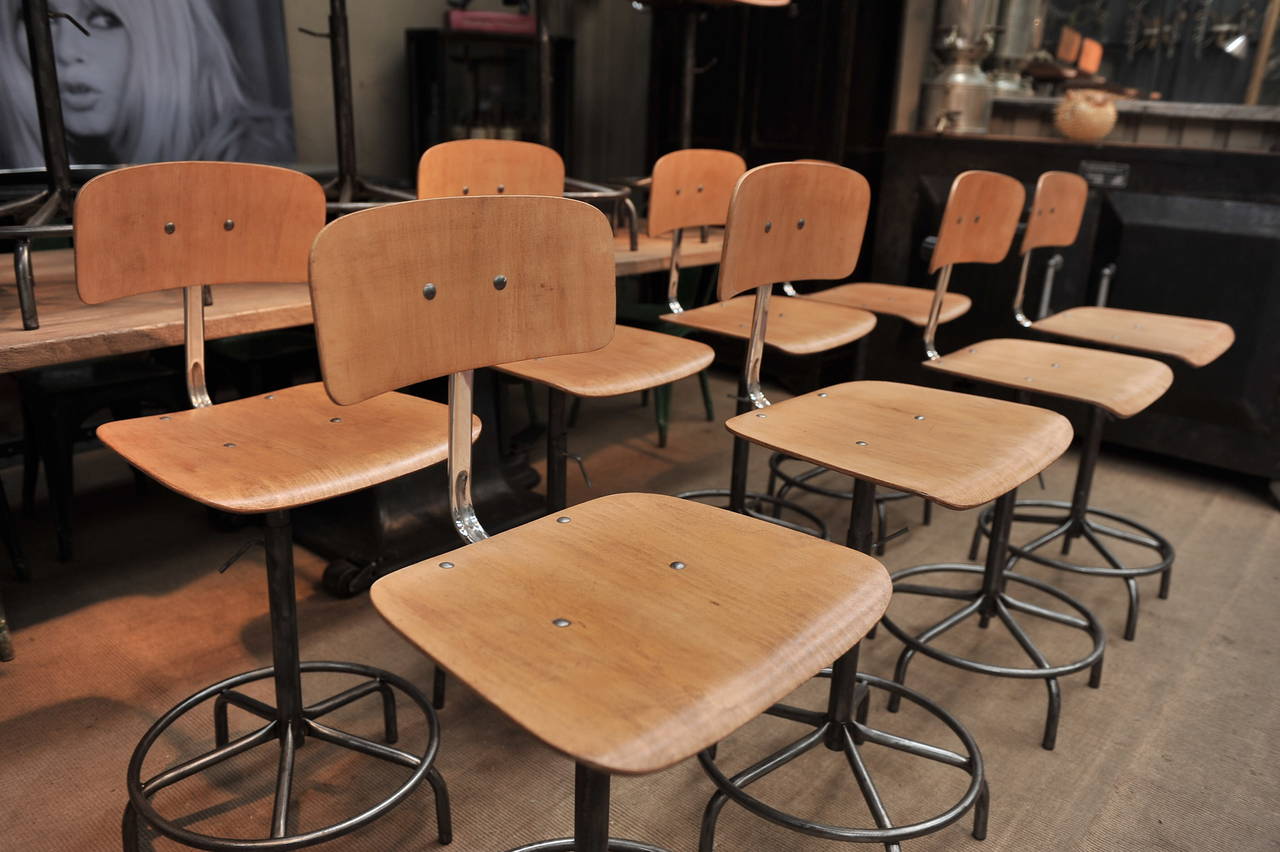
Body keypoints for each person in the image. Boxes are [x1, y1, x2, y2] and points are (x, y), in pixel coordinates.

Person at [0, 0, 292, 168]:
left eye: (103, 19)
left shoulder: (260, 159)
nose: (64, 51)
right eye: (42, 20)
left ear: (167, 37)